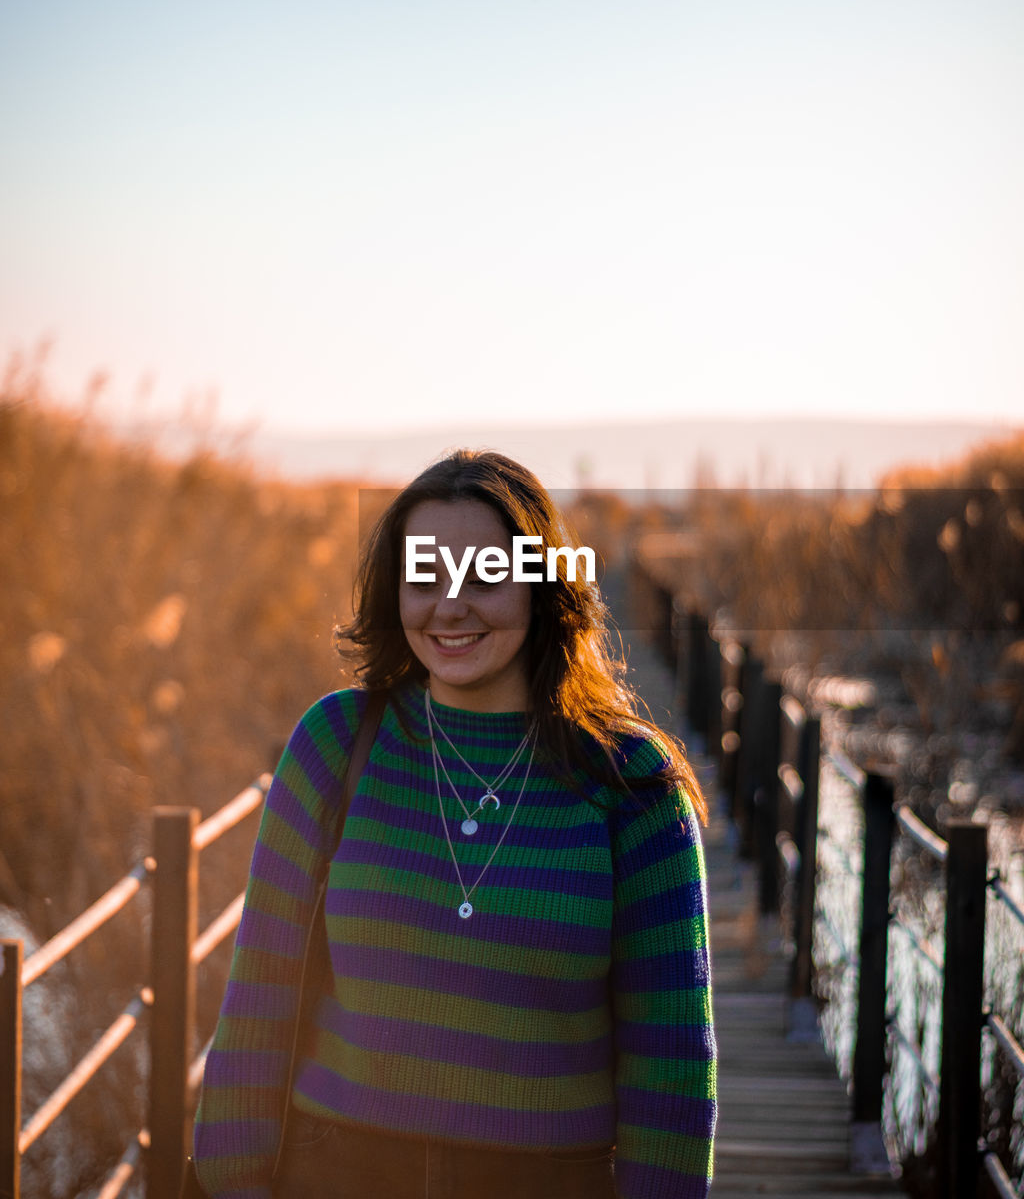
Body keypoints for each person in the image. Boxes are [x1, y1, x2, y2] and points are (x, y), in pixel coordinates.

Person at [191, 449, 716, 1198]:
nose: (451, 605)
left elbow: (672, 1070)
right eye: (426, 577)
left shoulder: (632, 783)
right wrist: (232, 1184)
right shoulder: (335, 744)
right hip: (336, 1173)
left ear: (542, 587)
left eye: (486, 576)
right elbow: (258, 999)